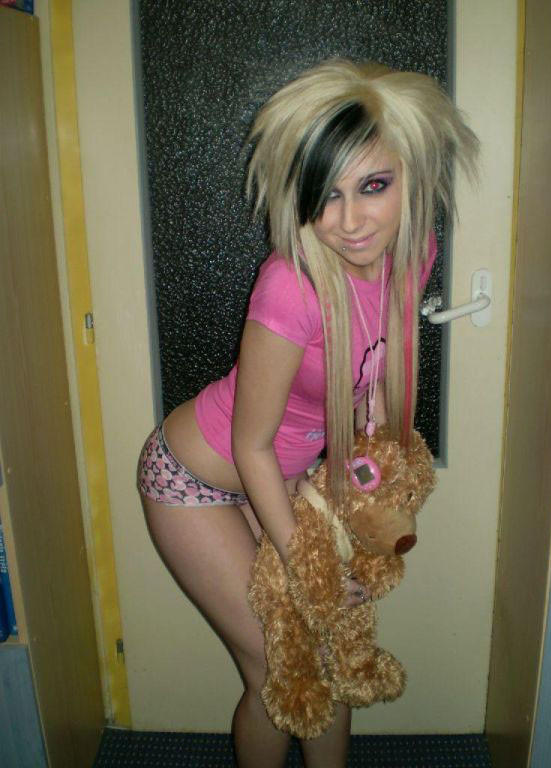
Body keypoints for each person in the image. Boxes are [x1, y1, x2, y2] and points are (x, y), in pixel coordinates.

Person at [138, 58, 478, 768]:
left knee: (325, 657)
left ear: (412, 175)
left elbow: (376, 382)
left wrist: (357, 500)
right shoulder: (291, 286)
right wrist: (306, 563)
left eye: (373, 186)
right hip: (195, 479)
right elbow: (251, 445)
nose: (348, 222)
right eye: (326, 195)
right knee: (278, 667)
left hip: (286, 482)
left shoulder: (413, 253)